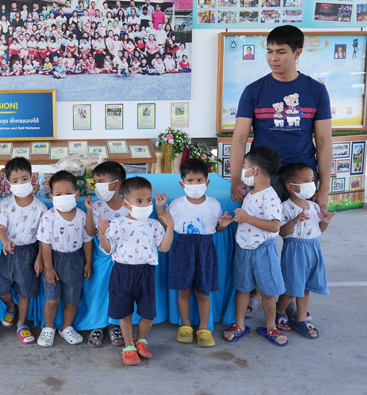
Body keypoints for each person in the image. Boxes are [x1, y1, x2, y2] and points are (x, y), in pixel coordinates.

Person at [230, 25, 332, 211]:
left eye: (281, 52)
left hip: (303, 175)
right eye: (269, 51)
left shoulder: (317, 91)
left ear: (297, 53)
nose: (273, 58)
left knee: (303, 227)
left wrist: (324, 187)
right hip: (263, 175)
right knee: (261, 227)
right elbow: (239, 138)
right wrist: (236, 178)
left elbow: (324, 141)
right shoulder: (253, 91)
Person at [98, 177, 174, 366]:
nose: (145, 204)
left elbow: (164, 248)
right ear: (126, 204)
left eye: (148, 200)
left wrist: (170, 227)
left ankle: (140, 340)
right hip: (122, 273)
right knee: (124, 314)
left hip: (145, 274)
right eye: (139, 201)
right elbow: (108, 249)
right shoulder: (117, 224)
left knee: (149, 314)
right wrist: (102, 235)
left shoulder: (154, 225)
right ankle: (129, 345)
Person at [158, 159, 232, 347]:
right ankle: (185, 325)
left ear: (207, 182)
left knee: (203, 291)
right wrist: (159, 208)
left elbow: (216, 227)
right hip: (182, 249)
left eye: (199, 180)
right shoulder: (176, 204)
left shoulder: (214, 204)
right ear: (182, 183)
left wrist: (223, 225)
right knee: (184, 290)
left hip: (205, 250)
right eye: (190, 180)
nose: (195, 184)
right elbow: (165, 225)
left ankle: (204, 328)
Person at [223, 147, 287, 347]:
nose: (242, 171)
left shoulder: (270, 196)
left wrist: (248, 218)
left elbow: (275, 226)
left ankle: (271, 327)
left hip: (262, 250)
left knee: (267, 292)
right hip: (244, 248)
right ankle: (239, 325)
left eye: (244, 166)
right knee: (242, 288)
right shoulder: (251, 193)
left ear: (255, 170)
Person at [274, 163, 334, 339]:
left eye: (312, 180)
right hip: (294, 249)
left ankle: (300, 319)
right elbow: (282, 232)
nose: (311, 184)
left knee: (306, 287)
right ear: (291, 186)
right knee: (292, 288)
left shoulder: (314, 206)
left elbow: (318, 230)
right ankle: (279, 311)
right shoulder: (285, 207)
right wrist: (294, 221)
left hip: (313, 248)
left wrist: (325, 222)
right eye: (306, 180)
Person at [0, 157, 47, 344]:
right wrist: (5, 241)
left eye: (24, 178)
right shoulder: (5, 204)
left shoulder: (41, 207)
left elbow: (43, 238)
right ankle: (11, 306)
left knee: (26, 290)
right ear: (8, 183)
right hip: (7, 251)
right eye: (15, 180)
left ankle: (21, 324)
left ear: (32, 178)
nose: (21, 183)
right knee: (1, 288)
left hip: (29, 253)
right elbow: (1, 227)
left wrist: (40, 258)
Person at [37, 170, 94, 347]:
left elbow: (88, 240)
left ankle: (66, 327)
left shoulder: (82, 216)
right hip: (54, 260)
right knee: (52, 299)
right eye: (59, 194)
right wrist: (49, 268)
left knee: (72, 300)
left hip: (76, 261)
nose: (63, 197)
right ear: (51, 197)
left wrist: (88, 263)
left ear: (76, 194)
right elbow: (45, 244)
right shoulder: (49, 217)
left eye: (68, 193)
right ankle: (48, 327)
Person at [83, 161, 128, 348]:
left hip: (123, 257)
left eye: (101, 182)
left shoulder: (129, 205)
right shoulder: (97, 206)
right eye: (95, 182)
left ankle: (113, 324)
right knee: (99, 291)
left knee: (119, 291)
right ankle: (98, 324)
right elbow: (89, 232)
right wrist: (89, 211)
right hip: (101, 255)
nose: (96, 186)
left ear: (116, 184)